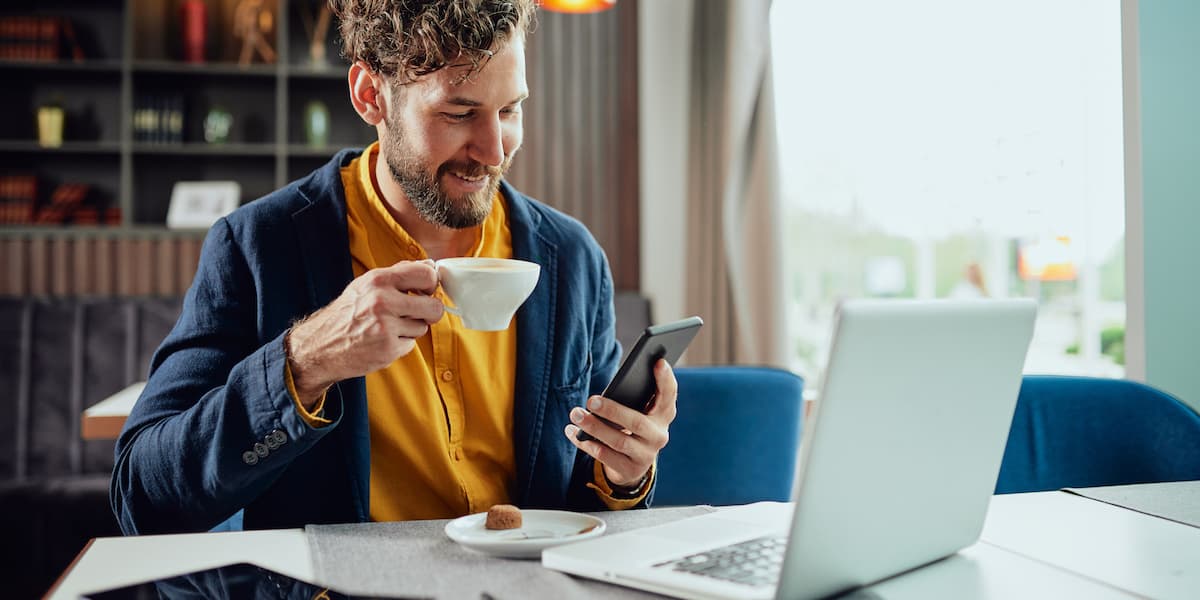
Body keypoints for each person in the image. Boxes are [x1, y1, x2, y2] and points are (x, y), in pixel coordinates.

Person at [111, 0, 676, 535]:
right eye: (459, 113)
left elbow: (584, 504)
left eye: (510, 110)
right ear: (369, 96)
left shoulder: (570, 258)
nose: (494, 149)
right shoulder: (258, 246)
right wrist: (306, 361)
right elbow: (143, 496)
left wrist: (623, 472)